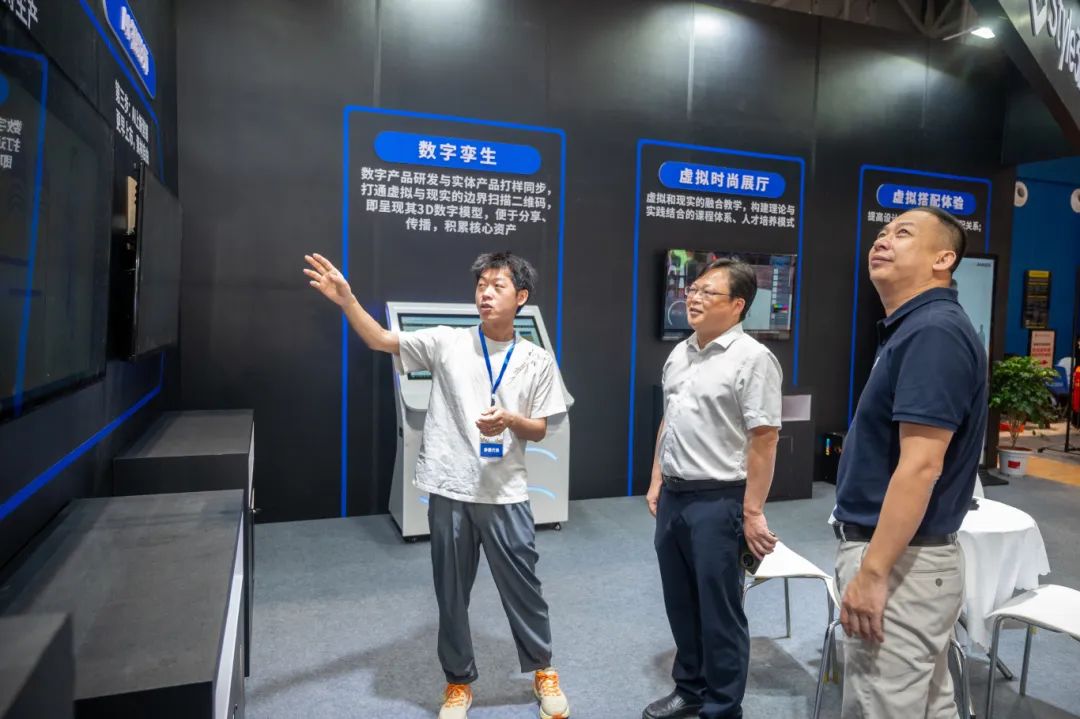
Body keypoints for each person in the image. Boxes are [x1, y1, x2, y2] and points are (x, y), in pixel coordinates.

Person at [303, 251, 572, 719]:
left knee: (524, 587)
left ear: (521, 297)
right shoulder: (447, 341)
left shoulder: (536, 360)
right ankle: (458, 682)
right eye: (481, 285)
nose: (485, 293)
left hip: (505, 492)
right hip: (449, 490)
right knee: (450, 593)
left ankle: (543, 669)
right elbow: (380, 339)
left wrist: (510, 420)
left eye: (498, 286)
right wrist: (347, 301)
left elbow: (541, 428)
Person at [833, 206, 987, 718]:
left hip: (902, 563)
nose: (883, 240)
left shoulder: (933, 332)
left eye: (903, 233)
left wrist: (874, 572)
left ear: (943, 259)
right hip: (914, 561)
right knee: (927, 705)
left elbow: (921, 466)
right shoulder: (916, 327)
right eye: (881, 232)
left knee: (883, 704)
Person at [643, 258, 782, 719]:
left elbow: (764, 438)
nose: (694, 298)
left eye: (708, 292)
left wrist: (752, 511)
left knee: (719, 611)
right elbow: (669, 419)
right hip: (675, 496)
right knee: (680, 602)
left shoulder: (753, 359)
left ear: (738, 305)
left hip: (719, 500)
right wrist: (657, 478)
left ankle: (722, 707)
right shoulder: (681, 352)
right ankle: (690, 689)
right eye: (693, 289)